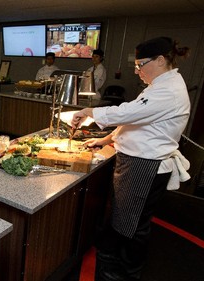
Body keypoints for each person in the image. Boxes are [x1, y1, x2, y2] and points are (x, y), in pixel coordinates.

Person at [71, 37, 190, 281]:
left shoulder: (169, 90)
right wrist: (105, 140)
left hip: (145, 165)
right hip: (136, 161)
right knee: (125, 217)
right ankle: (116, 261)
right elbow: (135, 119)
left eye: (140, 65)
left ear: (160, 60)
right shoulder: (158, 86)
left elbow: (128, 112)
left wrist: (88, 111)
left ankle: (127, 272)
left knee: (133, 224)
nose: (137, 71)